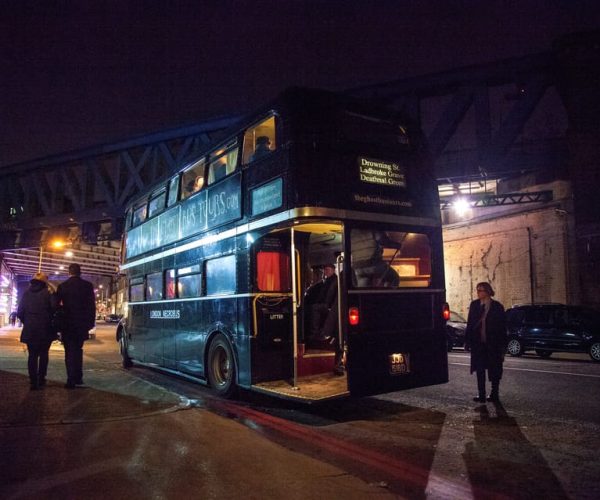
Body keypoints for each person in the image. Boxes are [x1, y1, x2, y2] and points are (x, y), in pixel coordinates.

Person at [465, 281, 507, 403]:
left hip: (493, 344)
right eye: (477, 290)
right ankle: (481, 394)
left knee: (494, 369)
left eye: (480, 290)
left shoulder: (497, 307)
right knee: (480, 369)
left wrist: (502, 346)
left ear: (487, 292)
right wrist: (467, 341)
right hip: (479, 344)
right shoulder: (474, 305)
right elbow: (470, 324)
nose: (478, 293)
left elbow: (502, 327)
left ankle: (494, 394)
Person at [56, 263, 96, 389]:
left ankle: (70, 379)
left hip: (67, 324)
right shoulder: (87, 286)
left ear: (69, 272)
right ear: (80, 272)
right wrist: (90, 323)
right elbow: (91, 306)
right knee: (78, 350)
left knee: (69, 352)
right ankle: (78, 377)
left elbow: (57, 306)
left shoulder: (62, 286)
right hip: (81, 324)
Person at [17, 272, 57, 390]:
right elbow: (54, 308)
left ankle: (33, 381)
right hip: (45, 329)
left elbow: (20, 312)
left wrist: (28, 322)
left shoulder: (26, 293)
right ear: (45, 282)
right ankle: (41, 378)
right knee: (44, 354)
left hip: (30, 329)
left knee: (32, 355)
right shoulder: (48, 293)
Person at [308, 263, 338, 342]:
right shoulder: (327, 281)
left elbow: (330, 296)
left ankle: (314, 333)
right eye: (325, 270)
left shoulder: (334, 281)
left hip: (329, 305)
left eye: (328, 270)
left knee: (314, 308)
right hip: (326, 304)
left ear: (333, 270)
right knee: (312, 305)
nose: (326, 272)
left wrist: (328, 306)